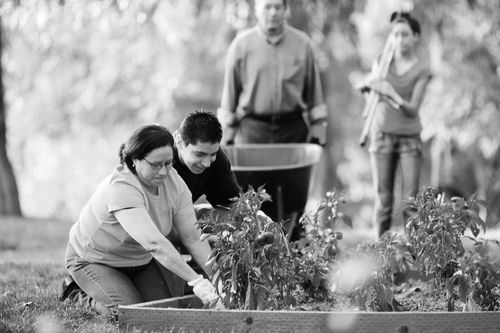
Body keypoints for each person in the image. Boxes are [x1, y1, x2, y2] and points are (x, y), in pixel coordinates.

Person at [63, 124, 223, 319]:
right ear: (135, 160)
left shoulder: (175, 183)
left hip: (138, 260)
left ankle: (117, 287)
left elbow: (192, 236)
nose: (164, 172)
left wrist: (218, 278)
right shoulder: (122, 186)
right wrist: (197, 282)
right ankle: (76, 294)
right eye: (156, 165)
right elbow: (155, 244)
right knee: (134, 315)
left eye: (168, 163)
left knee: (162, 313)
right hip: (95, 259)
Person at [217, 0, 328, 145]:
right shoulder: (240, 46)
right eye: (267, 7)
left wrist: (319, 130)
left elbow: (315, 95)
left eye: (278, 7)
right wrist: (226, 136)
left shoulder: (303, 44)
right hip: (253, 132)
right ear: (257, 10)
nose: (273, 12)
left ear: (285, 9)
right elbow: (229, 99)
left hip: (293, 132)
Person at [361, 12, 432, 238]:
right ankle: (381, 257)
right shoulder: (381, 62)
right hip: (381, 136)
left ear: (415, 37)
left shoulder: (422, 69)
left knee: (411, 202)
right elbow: (372, 100)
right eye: (395, 35)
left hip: (410, 138)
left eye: (404, 34)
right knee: (383, 201)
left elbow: (412, 108)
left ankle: (415, 256)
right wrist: (368, 88)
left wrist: (390, 92)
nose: (399, 40)